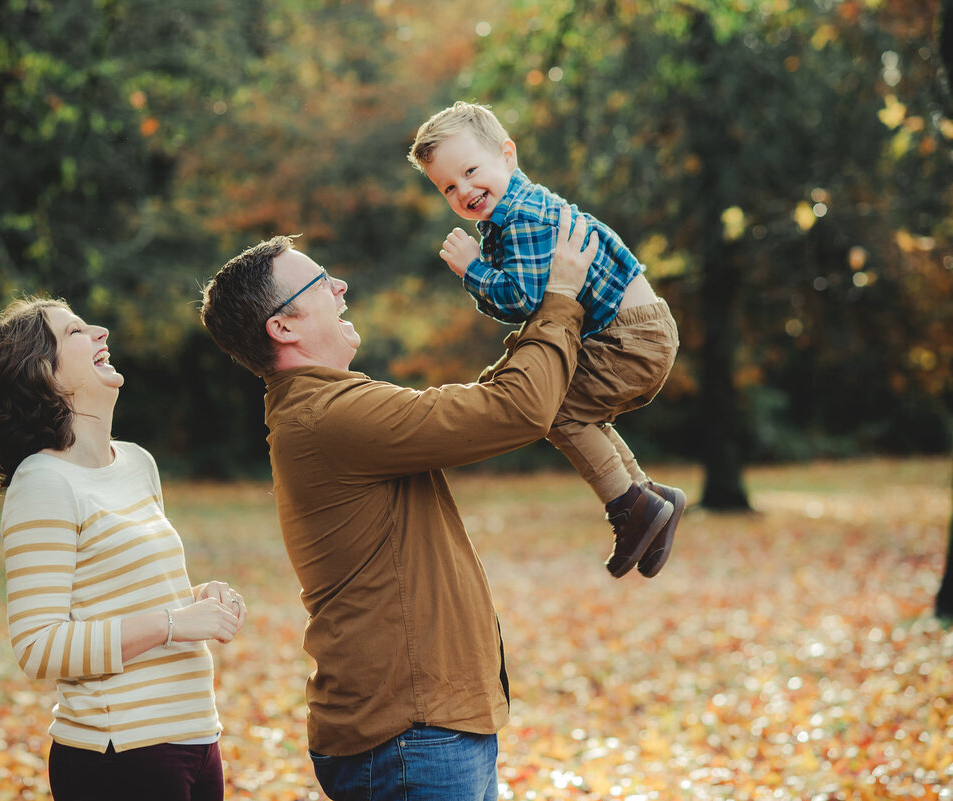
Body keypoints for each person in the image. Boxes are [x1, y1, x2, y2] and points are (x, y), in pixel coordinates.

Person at [199, 207, 596, 801]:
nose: (341, 287)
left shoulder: (331, 409)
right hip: (413, 734)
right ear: (284, 326)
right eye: (321, 282)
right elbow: (516, 409)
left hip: (425, 729)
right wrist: (560, 298)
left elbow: (481, 406)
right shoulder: (330, 416)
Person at [0, 297, 247, 801]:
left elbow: (125, 599)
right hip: (121, 752)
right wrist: (174, 624)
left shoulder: (137, 463)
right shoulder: (42, 482)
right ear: (41, 375)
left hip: (196, 735)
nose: (100, 332)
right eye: (74, 332)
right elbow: (38, 646)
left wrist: (197, 599)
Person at [407, 100, 687, 580]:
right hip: (634, 333)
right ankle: (649, 499)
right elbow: (533, 302)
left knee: (552, 408)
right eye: (449, 187)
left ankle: (632, 504)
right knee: (560, 405)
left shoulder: (523, 220)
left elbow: (521, 299)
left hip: (631, 338)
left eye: (472, 171)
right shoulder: (512, 216)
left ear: (507, 156)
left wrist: (472, 268)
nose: (465, 190)